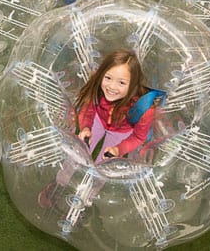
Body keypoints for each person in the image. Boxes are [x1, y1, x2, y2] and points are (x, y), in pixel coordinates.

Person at [38, 49, 163, 208]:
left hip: (122, 133)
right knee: (77, 153)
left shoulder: (144, 108)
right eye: (108, 78)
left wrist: (119, 149)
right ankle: (59, 183)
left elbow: (138, 137)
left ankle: (86, 199)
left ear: (133, 84)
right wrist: (85, 128)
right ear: (102, 74)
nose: (112, 87)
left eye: (122, 82)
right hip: (98, 121)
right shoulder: (98, 88)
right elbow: (88, 110)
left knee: (104, 166)